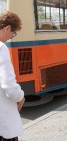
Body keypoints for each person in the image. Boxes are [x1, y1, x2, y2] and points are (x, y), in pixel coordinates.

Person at [0, 11, 25, 140]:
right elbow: (8, 85)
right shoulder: (1, 48)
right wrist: (20, 97)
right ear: (7, 28)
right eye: (13, 33)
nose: (11, 37)